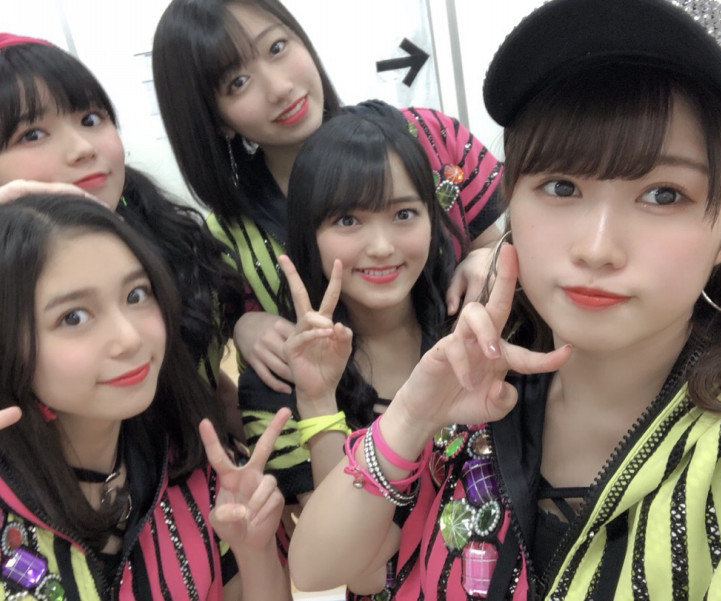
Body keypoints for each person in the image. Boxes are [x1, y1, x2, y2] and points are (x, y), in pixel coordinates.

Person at [287, 0, 721, 598]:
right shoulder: (482, 385)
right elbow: (321, 571)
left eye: (663, 195)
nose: (596, 248)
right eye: (561, 186)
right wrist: (411, 416)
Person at [151, 0, 503, 393]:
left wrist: (489, 257)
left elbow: (506, 241)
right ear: (216, 120)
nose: (280, 88)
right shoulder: (227, 243)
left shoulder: (427, 135)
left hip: (488, 397)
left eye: (277, 47)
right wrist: (241, 326)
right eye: (238, 82)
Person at [0, 194, 291, 600]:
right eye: (73, 317)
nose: (130, 337)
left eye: (136, 295)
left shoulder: (200, 468)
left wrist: (254, 550)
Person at [0, 8, 243, 404]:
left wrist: (247, 326)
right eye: (33, 134)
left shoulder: (164, 236)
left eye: (91, 119)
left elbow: (195, 379)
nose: (83, 148)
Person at [238, 112, 462, 506]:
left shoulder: (469, 324)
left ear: (431, 218)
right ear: (309, 233)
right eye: (348, 220)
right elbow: (332, 544)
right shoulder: (277, 381)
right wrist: (317, 401)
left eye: (403, 214)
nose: (381, 247)